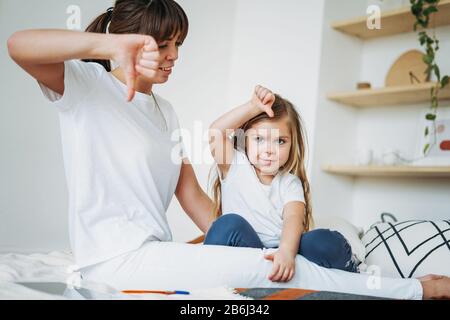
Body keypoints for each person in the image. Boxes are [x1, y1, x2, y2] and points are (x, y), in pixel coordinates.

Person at [7, 0, 450, 300]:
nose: (174, 55)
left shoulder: (165, 111)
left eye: (178, 44)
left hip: (153, 252)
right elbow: (18, 46)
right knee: (273, 270)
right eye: (162, 45)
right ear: (128, 41)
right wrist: (107, 47)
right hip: (110, 260)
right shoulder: (88, 87)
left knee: (265, 264)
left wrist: (235, 244)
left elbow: (191, 194)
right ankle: (417, 291)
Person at [206, 85, 358, 284]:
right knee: (227, 225)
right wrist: (252, 107)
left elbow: (293, 217)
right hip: (250, 251)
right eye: (259, 139)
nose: (270, 150)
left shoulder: (289, 182)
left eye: (280, 142)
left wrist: (286, 252)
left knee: (323, 241)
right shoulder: (234, 166)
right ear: (245, 140)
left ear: (292, 144)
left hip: (283, 249)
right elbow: (216, 132)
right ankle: (204, 281)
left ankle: (354, 271)